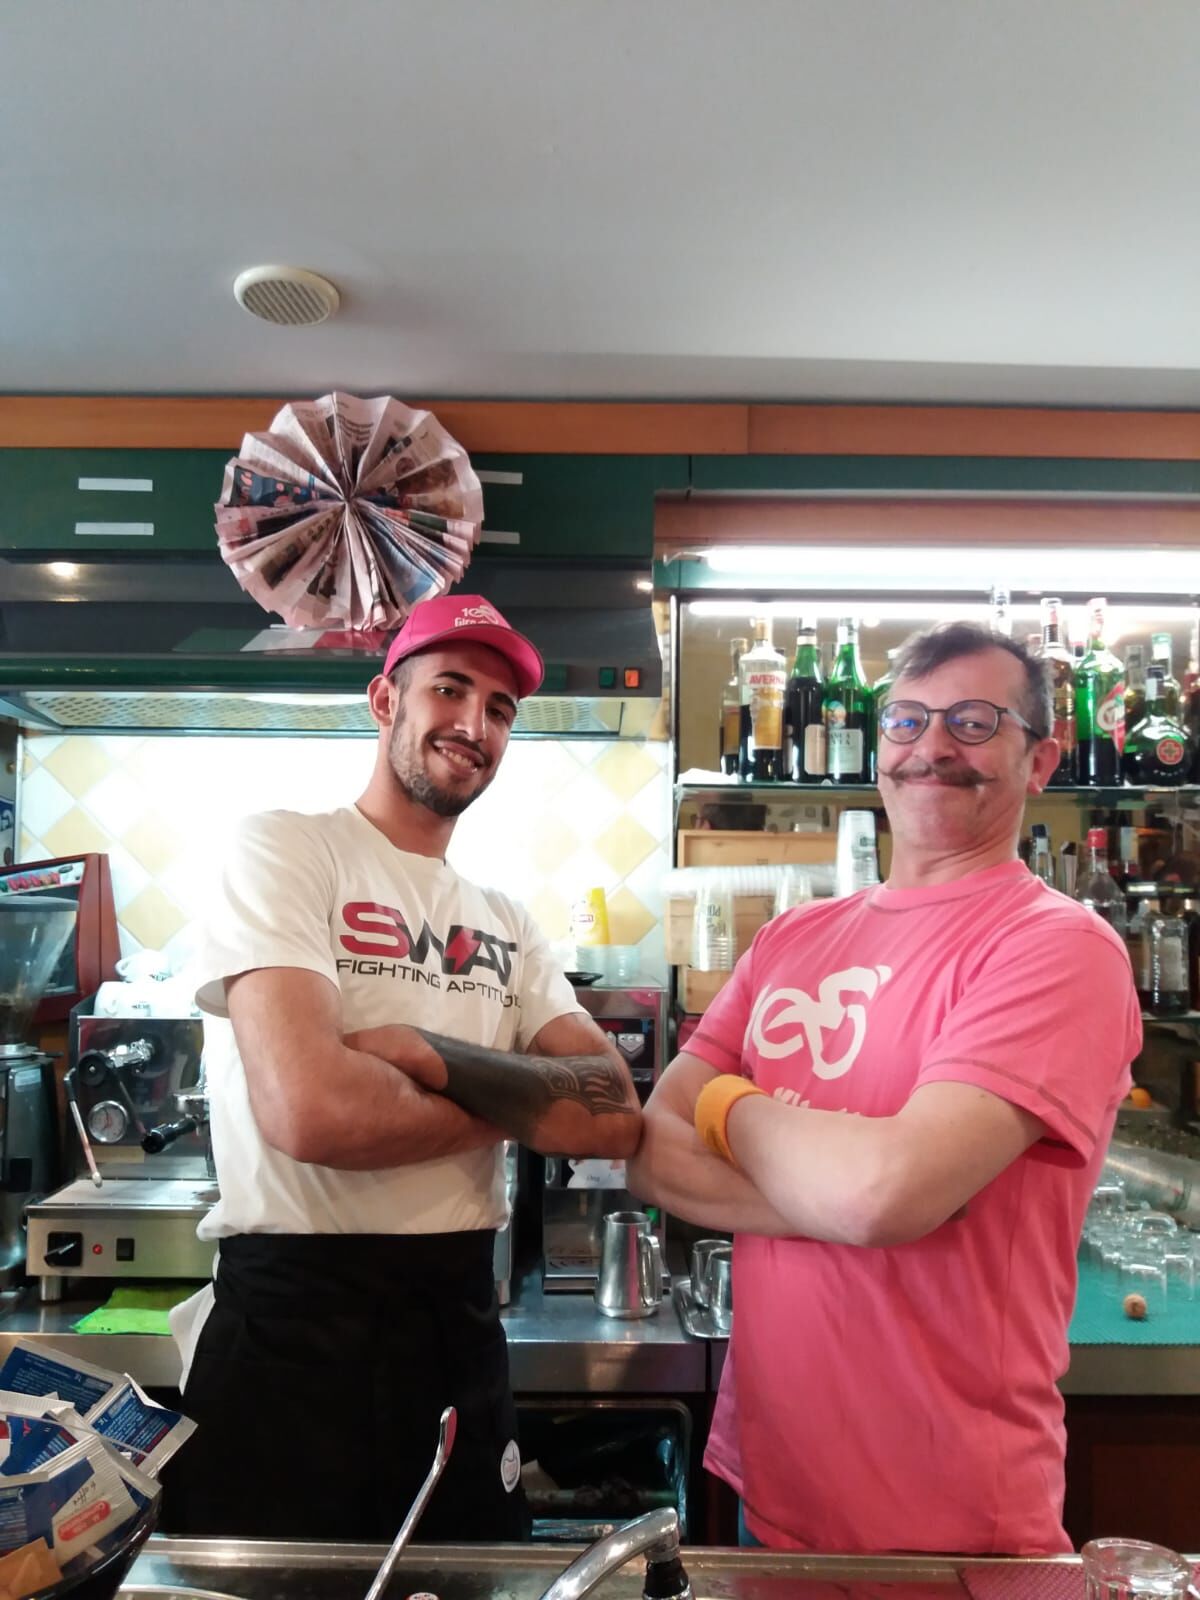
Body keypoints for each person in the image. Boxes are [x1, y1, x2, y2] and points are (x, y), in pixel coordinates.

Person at [628, 622, 1141, 1555]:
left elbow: (881, 1193)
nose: (931, 746)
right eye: (907, 720)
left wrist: (722, 1104)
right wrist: (847, 1197)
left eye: (974, 722)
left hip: (949, 1519)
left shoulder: (1058, 948)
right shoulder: (791, 939)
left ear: (1041, 761)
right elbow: (653, 1154)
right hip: (770, 1488)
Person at [165, 594, 641, 1542]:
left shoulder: (506, 919)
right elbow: (313, 1113)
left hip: (458, 1327)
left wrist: (427, 1058)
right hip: (289, 1334)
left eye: (500, 708)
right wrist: (526, 1100)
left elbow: (615, 1114)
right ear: (386, 700)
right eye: (450, 690)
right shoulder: (286, 848)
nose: (474, 725)